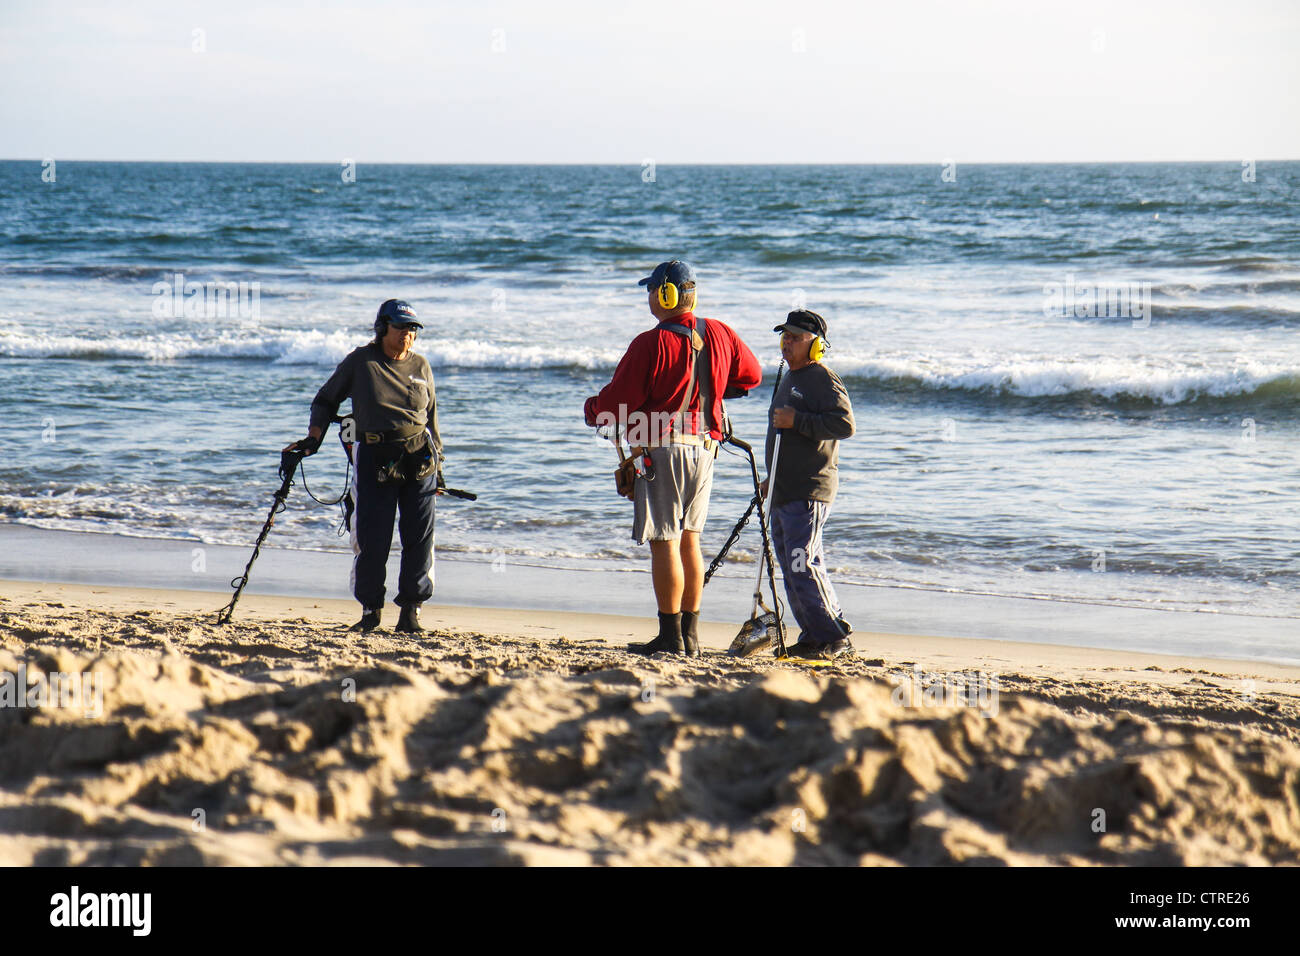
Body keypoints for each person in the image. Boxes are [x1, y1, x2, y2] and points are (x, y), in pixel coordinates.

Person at [584, 260, 762, 657]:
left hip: (661, 449)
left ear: (665, 295)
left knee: (664, 542)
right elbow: (751, 376)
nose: (648, 297)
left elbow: (618, 402)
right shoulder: (720, 332)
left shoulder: (649, 343)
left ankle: (670, 637)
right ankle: (691, 636)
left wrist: (592, 408)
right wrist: (713, 388)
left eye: (651, 290)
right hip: (706, 449)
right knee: (690, 541)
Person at [287, 299, 444, 634]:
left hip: (419, 458)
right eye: (401, 328)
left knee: (420, 537)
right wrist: (313, 438)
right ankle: (371, 611)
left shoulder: (422, 366)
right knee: (373, 538)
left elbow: (432, 420)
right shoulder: (361, 362)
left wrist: (439, 468)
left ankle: (410, 612)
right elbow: (325, 400)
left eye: (412, 329)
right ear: (382, 327)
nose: (407, 335)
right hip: (374, 457)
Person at [760, 309, 856, 660]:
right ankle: (815, 634)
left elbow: (845, 424)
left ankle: (833, 637)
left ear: (816, 346)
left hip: (810, 489)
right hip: (784, 489)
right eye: (784, 335)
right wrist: (772, 479)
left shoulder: (822, 378)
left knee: (803, 563)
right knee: (790, 563)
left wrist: (797, 419)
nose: (787, 342)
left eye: (795, 337)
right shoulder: (789, 377)